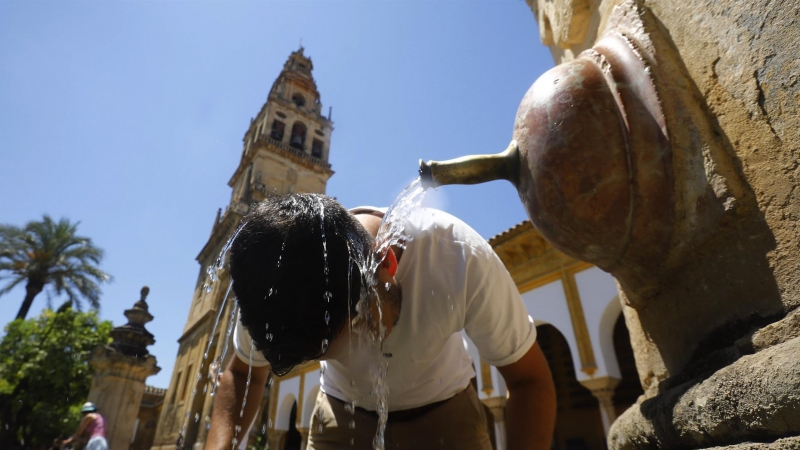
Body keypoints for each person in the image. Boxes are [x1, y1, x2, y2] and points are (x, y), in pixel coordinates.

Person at [207, 194, 556, 450]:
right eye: (330, 353)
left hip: (446, 413)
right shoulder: (276, 288)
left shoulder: (457, 255)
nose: (356, 357)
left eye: (360, 333)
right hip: (341, 415)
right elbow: (243, 373)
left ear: (386, 263)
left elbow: (528, 381)